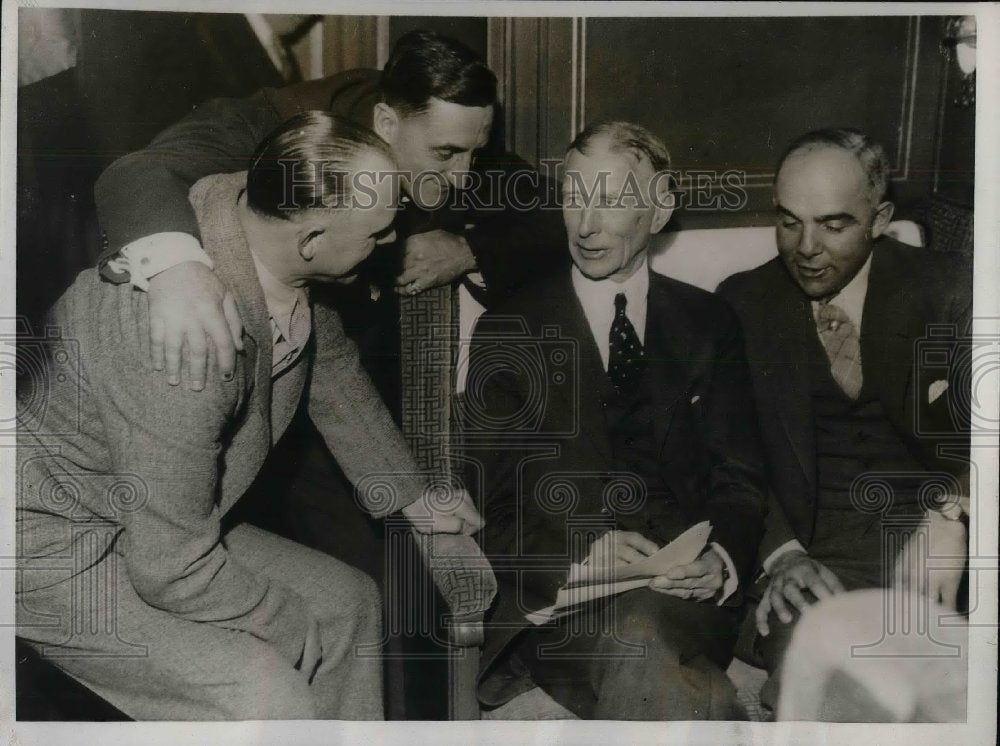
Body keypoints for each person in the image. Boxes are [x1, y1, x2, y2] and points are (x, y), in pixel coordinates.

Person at [15, 112, 482, 721]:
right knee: (265, 691)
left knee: (348, 605)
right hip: (48, 542)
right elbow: (171, 569)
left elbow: (329, 367)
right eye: (378, 233)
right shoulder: (190, 346)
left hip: (142, 516)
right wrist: (281, 621)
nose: (392, 242)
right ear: (311, 240)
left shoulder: (258, 228)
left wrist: (411, 498)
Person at [468, 121, 767, 720]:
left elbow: (740, 478)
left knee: (646, 641)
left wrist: (720, 559)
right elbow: (489, 506)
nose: (585, 225)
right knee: (651, 655)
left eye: (609, 200)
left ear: (659, 212)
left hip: (681, 593)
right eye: (573, 198)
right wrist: (581, 549)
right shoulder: (509, 330)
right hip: (564, 597)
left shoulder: (709, 322)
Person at [94, 28, 566, 392]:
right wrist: (178, 273)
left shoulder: (453, 139)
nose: (464, 177)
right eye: (445, 154)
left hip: (348, 377)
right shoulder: (282, 126)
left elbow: (561, 207)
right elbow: (140, 171)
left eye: (475, 154)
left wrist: (469, 249)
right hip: (225, 371)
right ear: (386, 123)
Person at [717, 128, 972, 717]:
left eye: (833, 225)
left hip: (935, 540)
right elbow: (729, 458)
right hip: (814, 563)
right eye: (789, 222)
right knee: (827, 687)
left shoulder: (951, 289)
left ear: (880, 219)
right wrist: (782, 556)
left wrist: (953, 514)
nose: (806, 247)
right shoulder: (741, 303)